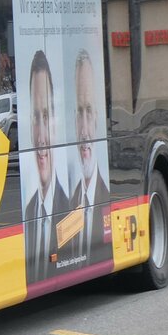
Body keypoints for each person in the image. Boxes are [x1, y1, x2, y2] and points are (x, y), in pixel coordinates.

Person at [24, 50, 69, 281]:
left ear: (55, 123)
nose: (41, 136)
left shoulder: (71, 207)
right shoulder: (28, 211)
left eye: (46, 116)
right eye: (34, 118)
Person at [68, 49, 109, 255]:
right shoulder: (68, 202)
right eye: (79, 112)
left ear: (97, 117)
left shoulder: (107, 194)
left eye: (89, 111)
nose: (84, 131)